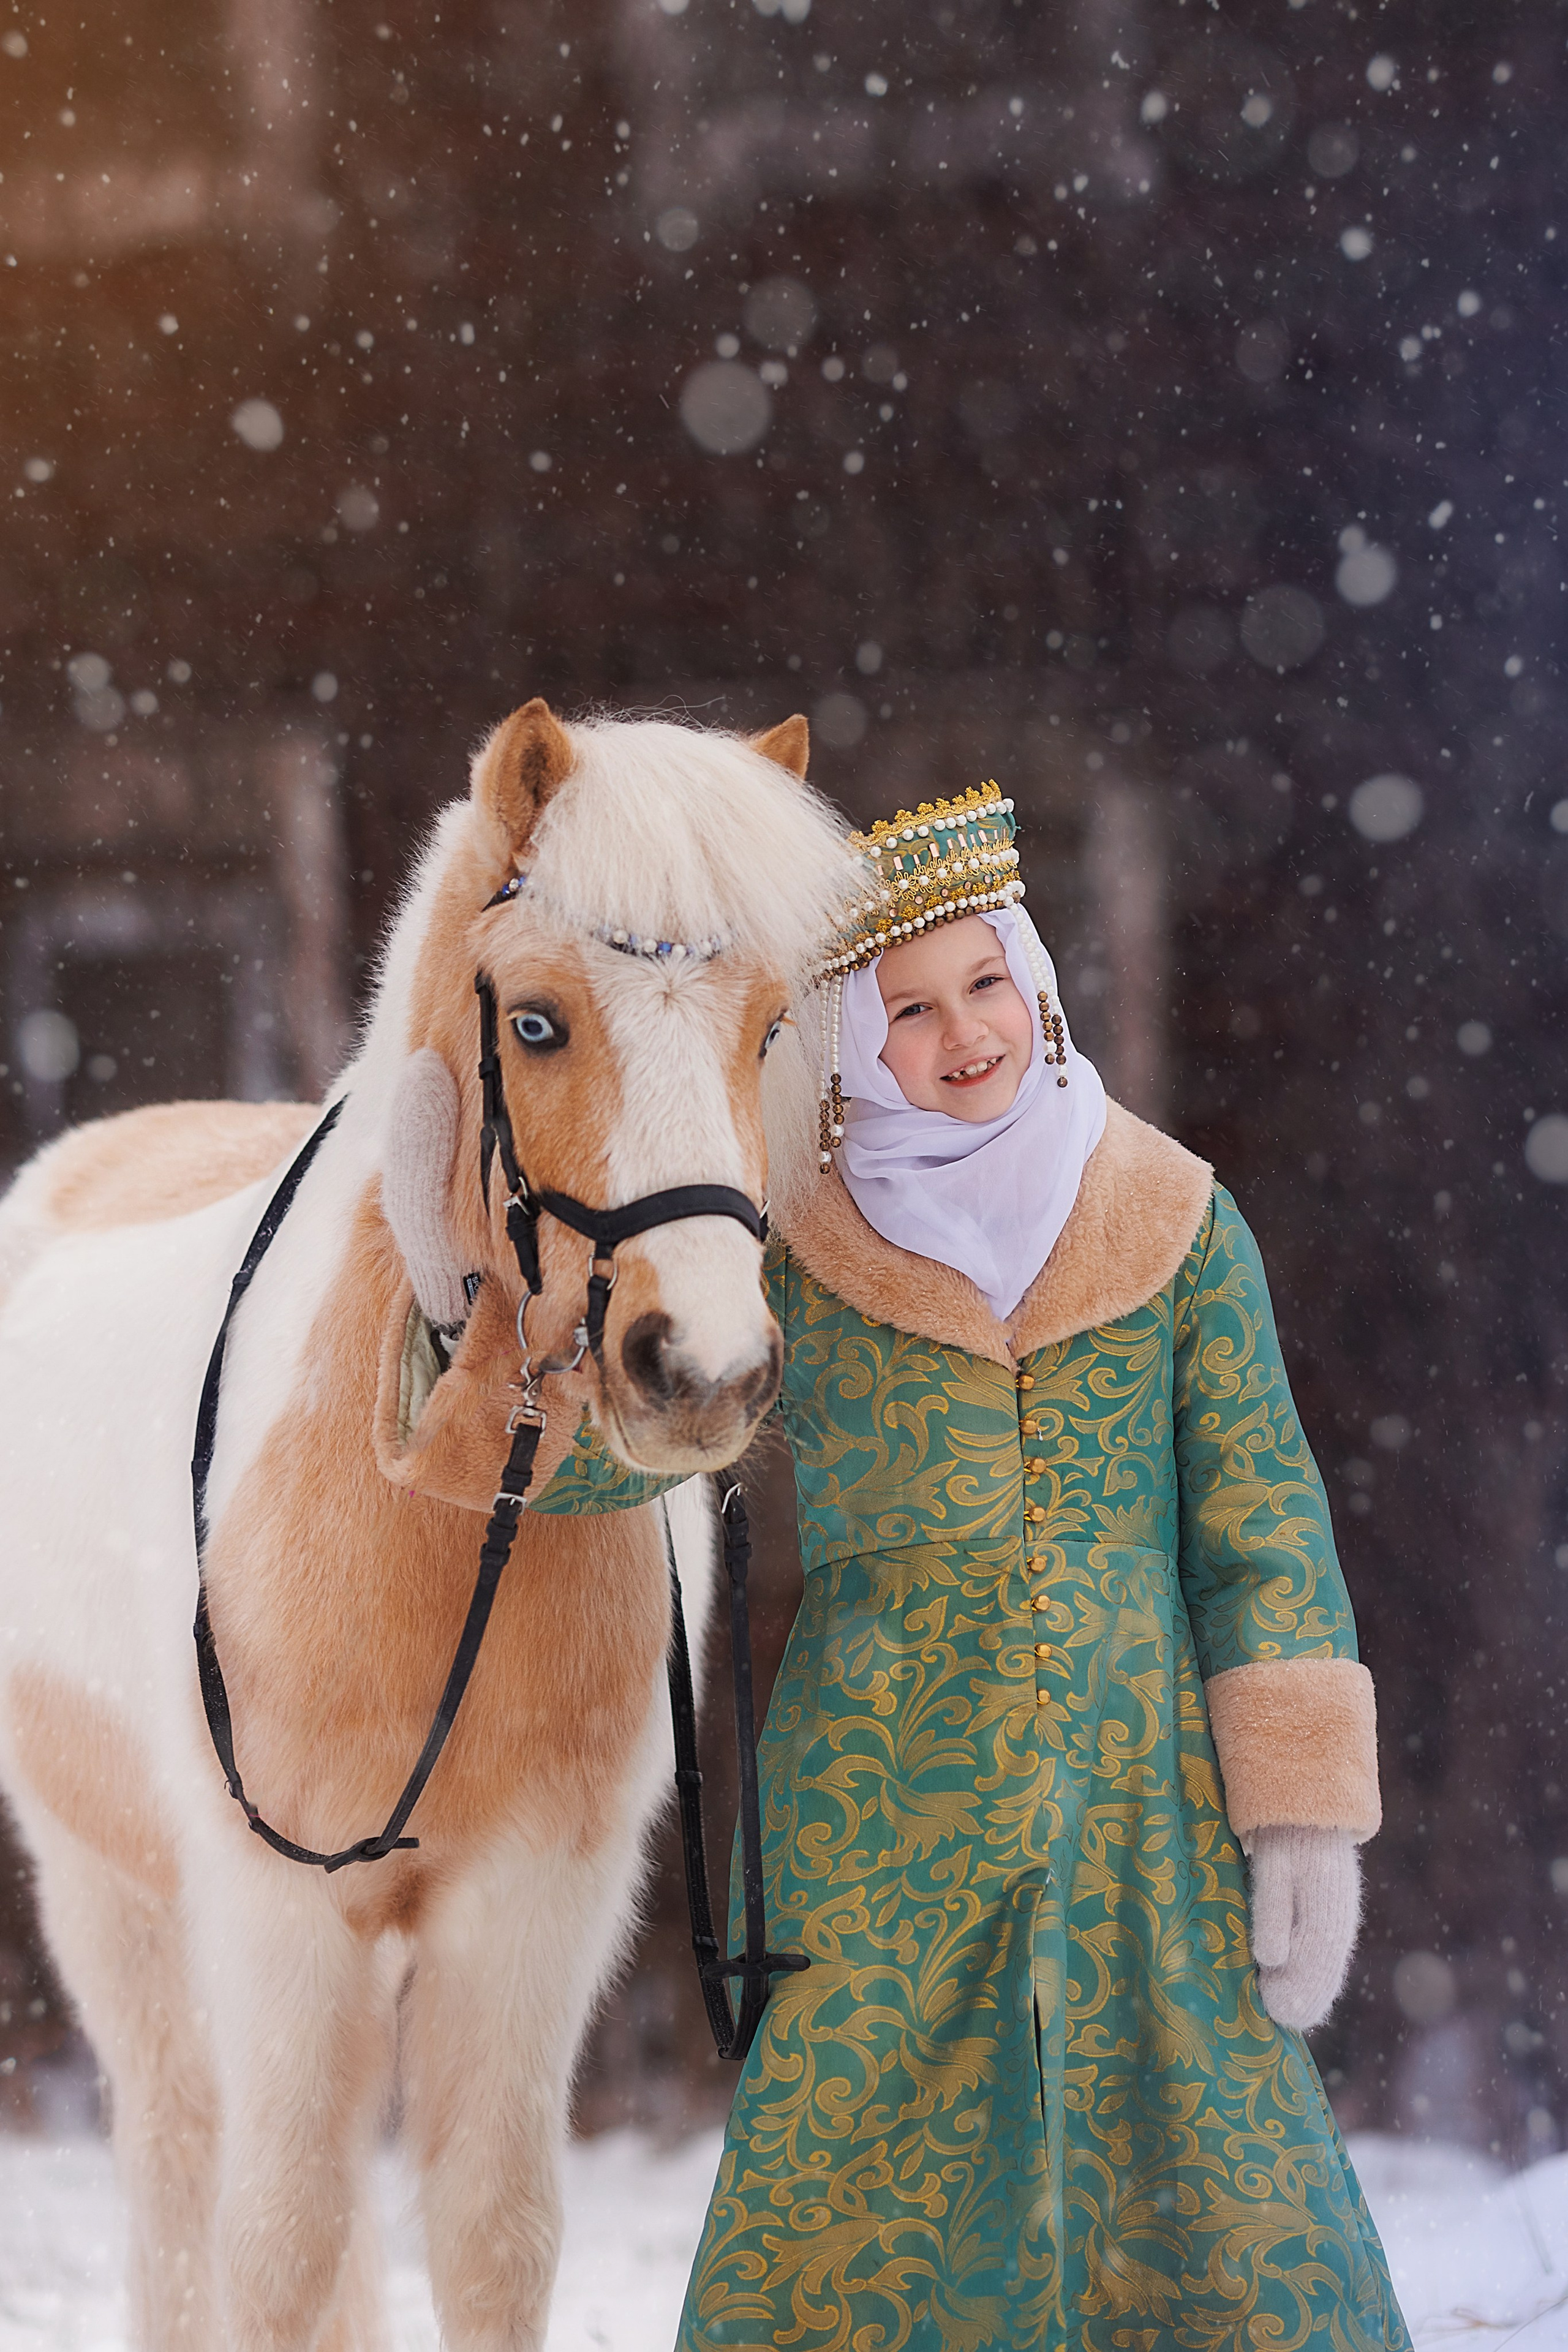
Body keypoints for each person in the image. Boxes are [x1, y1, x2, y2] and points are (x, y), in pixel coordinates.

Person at [675, 785, 1410, 2351]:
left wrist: (1297, 1815)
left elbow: (1260, 1522)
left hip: (1147, 1806)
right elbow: (643, 1447)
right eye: (908, 1011)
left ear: (1035, 977)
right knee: (855, 2215)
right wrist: (495, 1323)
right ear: (856, 1048)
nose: (961, 1037)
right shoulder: (790, 1245)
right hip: (873, 1810)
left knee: (1214, 2190)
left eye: (984, 985)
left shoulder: (1178, 1219)